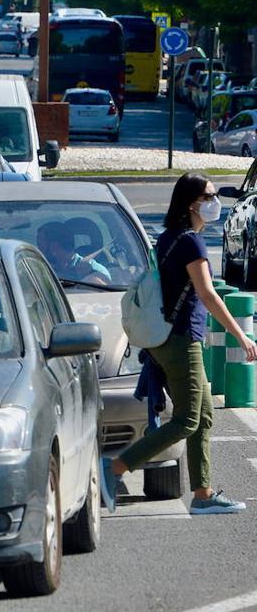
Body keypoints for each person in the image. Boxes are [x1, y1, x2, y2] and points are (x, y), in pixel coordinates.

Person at [105, 173, 257, 514]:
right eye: (210, 195)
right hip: (181, 340)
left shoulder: (170, 238)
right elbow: (207, 293)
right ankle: (115, 467)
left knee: (203, 417)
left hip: (168, 338)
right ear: (192, 202)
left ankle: (202, 495)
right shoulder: (190, 242)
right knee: (188, 419)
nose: (216, 201)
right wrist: (241, 335)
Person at [37, 220, 111, 285]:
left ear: (54, 247)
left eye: (41, 245)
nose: (38, 250)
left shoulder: (96, 272)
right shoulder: (41, 272)